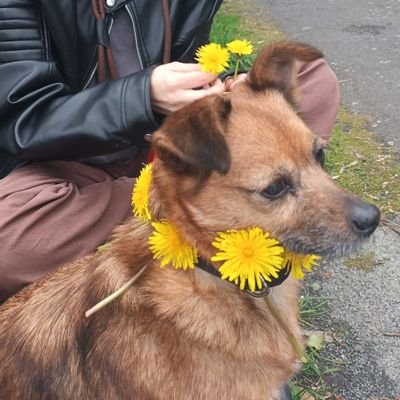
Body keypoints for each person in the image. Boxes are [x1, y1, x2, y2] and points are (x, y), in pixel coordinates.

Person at [0, 0, 339, 303]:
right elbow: (23, 118)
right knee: (8, 241)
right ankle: (208, 213)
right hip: (73, 163)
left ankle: (222, 210)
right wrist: (141, 96)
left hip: (185, 144)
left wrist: (242, 91)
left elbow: (196, 62)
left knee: (313, 77)